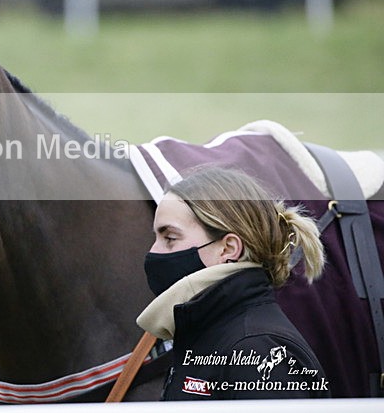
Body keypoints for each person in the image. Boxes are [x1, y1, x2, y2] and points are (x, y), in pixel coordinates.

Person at [137, 166, 330, 400]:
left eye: (169, 238)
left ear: (228, 248)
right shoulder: (204, 331)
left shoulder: (257, 348)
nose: (153, 252)